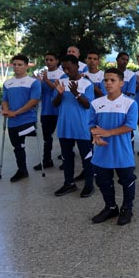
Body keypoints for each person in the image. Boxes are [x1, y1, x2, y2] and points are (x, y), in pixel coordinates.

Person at [89, 68, 138, 226]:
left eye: (112, 80)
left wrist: (109, 132)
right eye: (106, 80)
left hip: (122, 152)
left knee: (127, 180)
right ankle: (110, 207)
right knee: (103, 181)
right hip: (102, 152)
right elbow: (91, 125)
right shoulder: (96, 103)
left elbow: (130, 125)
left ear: (121, 83)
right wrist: (96, 135)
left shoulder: (129, 103)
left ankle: (127, 208)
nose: (108, 83)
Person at [52, 55, 95, 198]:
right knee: (66, 157)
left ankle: (89, 184)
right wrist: (59, 94)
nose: (66, 70)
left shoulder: (87, 84)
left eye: (69, 67)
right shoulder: (61, 82)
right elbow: (55, 103)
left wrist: (76, 93)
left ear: (77, 66)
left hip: (82, 127)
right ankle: (69, 183)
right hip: (65, 126)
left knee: (86, 157)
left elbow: (88, 105)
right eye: (64, 68)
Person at [0, 54, 41, 182]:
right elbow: (4, 100)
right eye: (14, 64)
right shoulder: (8, 83)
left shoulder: (33, 82)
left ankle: (35, 134)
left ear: (26, 66)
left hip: (28, 120)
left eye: (20, 64)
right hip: (12, 121)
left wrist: (16, 112)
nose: (16, 67)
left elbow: (34, 101)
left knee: (21, 138)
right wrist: (6, 110)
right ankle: (22, 170)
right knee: (17, 146)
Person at [34, 52, 64, 170]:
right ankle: (47, 160)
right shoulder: (43, 74)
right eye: (46, 60)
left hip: (59, 110)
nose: (48, 62)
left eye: (51, 60)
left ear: (57, 61)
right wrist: (38, 82)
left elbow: (59, 89)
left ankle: (65, 159)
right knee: (47, 137)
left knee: (62, 137)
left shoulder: (62, 75)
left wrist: (46, 81)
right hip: (46, 110)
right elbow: (40, 93)